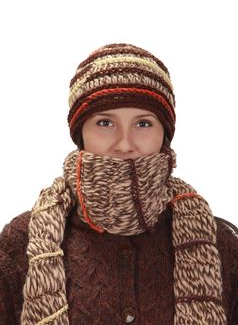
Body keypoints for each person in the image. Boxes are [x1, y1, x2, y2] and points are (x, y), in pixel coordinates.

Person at [0, 43, 237, 325]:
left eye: (143, 124)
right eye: (104, 123)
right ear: (80, 135)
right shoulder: (22, 243)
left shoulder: (219, 244)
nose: (124, 144)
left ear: (164, 135)